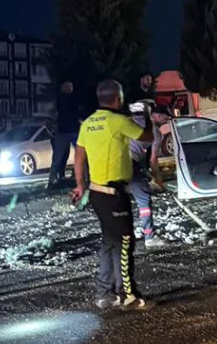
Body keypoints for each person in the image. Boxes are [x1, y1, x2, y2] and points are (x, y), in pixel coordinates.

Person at [72, 79, 155, 311]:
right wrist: (147, 115)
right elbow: (146, 137)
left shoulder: (88, 124)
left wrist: (80, 185)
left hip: (97, 193)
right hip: (114, 193)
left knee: (109, 242)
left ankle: (105, 293)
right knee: (126, 241)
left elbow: (79, 156)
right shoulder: (118, 121)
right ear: (118, 99)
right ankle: (128, 295)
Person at [127, 104, 171, 249]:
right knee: (144, 200)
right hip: (131, 165)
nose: (166, 121)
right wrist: (157, 179)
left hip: (113, 164)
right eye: (165, 118)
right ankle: (149, 237)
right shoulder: (156, 133)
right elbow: (153, 160)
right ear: (157, 116)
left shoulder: (134, 119)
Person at [49, 81, 79, 189]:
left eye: (71, 85)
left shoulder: (71, 99)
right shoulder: (59, 99)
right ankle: (52, 180)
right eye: (68, 86)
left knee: (78, 155)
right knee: (58, 157)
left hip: (69, 130)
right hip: (65, 130)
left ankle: (53, 180)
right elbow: (52, 113)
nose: (70, 87)